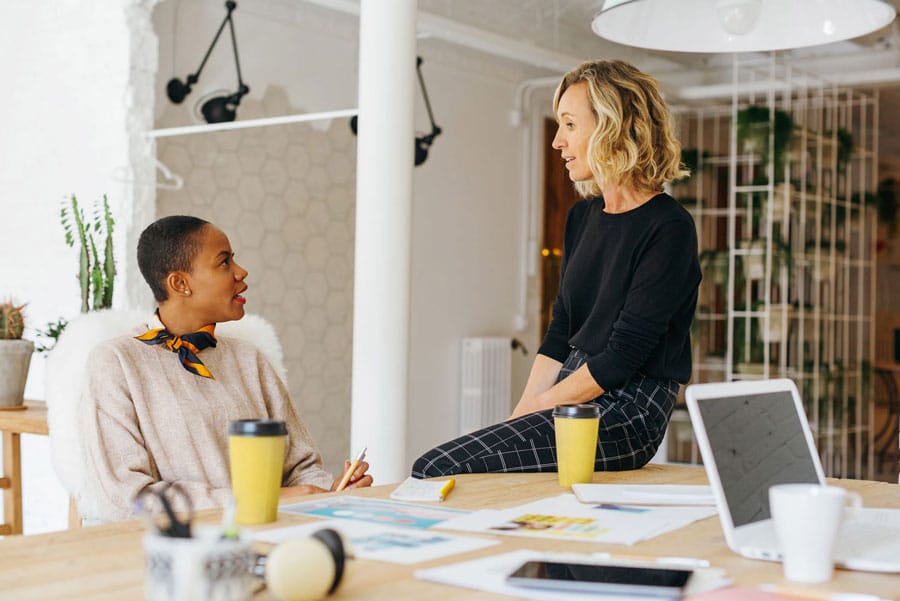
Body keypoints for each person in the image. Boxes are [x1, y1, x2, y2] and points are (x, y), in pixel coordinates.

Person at [412, 59, 700, 478]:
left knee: (436, 467)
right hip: (572, 390)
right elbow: (560, 333)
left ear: (613, 127)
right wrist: (518, 417)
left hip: (629, 410)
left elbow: (622, 357)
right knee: (452, 465)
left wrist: (531, 413)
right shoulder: (581, 218)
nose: (557, 142)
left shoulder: (669, 227)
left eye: (569, 125)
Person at [79, 215, 371, 522]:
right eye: (224, 262)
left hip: (275, 536)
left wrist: (333, 489)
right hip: (177, 551)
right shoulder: (115, 363)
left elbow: (301, 470)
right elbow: (128, 498)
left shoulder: (249, 359)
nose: (241, 272)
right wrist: (257, 500)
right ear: (180, 283)